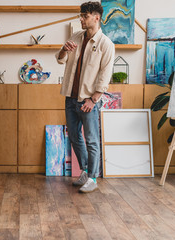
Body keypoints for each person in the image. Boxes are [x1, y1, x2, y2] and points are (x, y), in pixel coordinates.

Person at [55, 1, 115, 193]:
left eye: (85, 16)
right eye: (80, 15)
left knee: (91, 140)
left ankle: (93, 178)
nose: (81, 19)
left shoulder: (106, 44)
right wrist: (64, 49)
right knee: (74, 137)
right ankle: (84, 171)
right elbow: (60, 59)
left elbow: (105, 75)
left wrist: (94, 99)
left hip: (88, 100)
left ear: (96, 18)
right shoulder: (75, 37)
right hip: (70, 97)